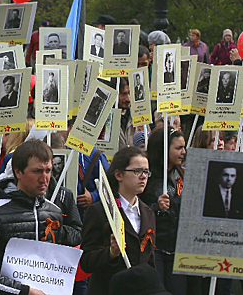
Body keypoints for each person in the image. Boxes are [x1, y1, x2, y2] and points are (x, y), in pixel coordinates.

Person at [0, 140, 65, 295]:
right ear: (18, 172)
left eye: (48, 171)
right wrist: (24, 291)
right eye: (37, 171)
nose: (44, 178)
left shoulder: (54, 212)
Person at [80, 147, 156, 294]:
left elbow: (150, 260)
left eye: (146, 171)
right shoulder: (99, 211)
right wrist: (111, 252)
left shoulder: (148, 213)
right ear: (119, 175)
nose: (143, 176)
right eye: (136, 171)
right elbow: (86, 261)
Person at [140, 127, 195, 295]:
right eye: (178, 148)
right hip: (154, 250)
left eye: (184, 147)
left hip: (178, 251)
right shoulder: (145, 178)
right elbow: (136, 213)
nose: (183, 152)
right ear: (164, 149)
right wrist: (157, 207)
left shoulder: (183, 176)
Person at [117, 78, 136, 150]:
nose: (128, 99)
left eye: (130, 94)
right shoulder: (105, 117)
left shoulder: (138, 115)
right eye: (124, 94)